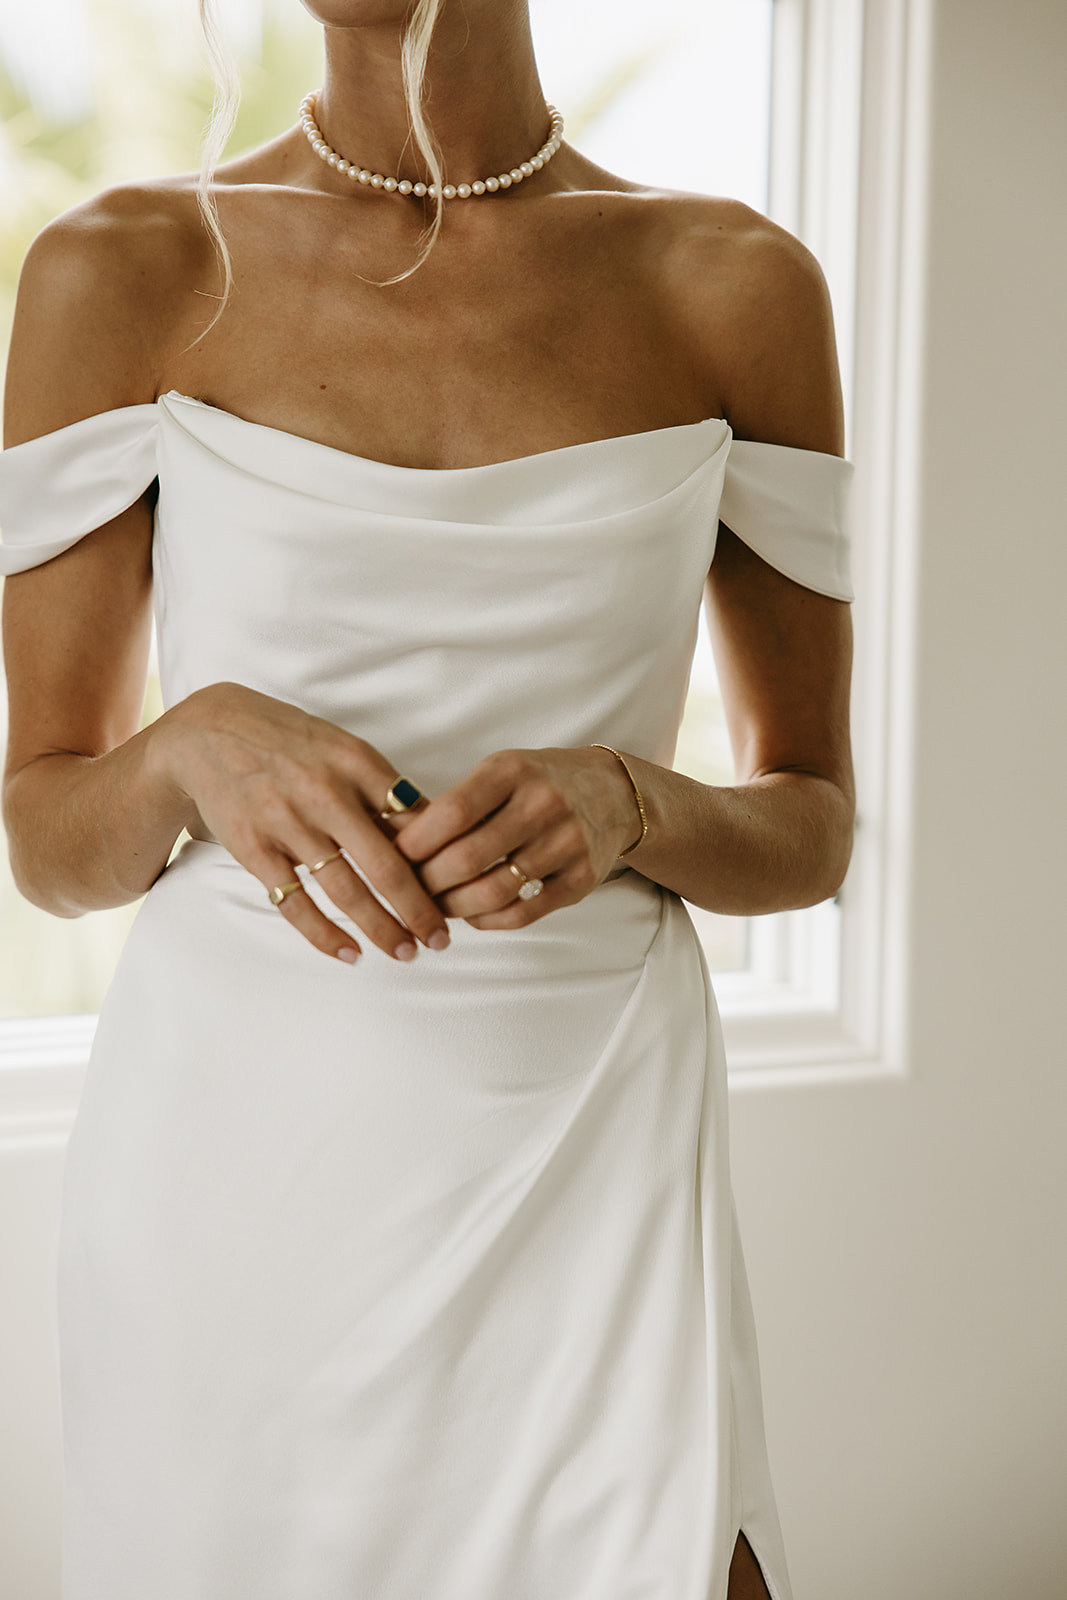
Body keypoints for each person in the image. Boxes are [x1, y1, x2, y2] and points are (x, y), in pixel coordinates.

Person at [0, 1, 855, 1596]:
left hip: (590, 1155)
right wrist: (186, 746)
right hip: (237, 1183)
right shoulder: (122, 269)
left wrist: (635, 801)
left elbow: (811, 819)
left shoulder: (732, 282)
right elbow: (48, 837)